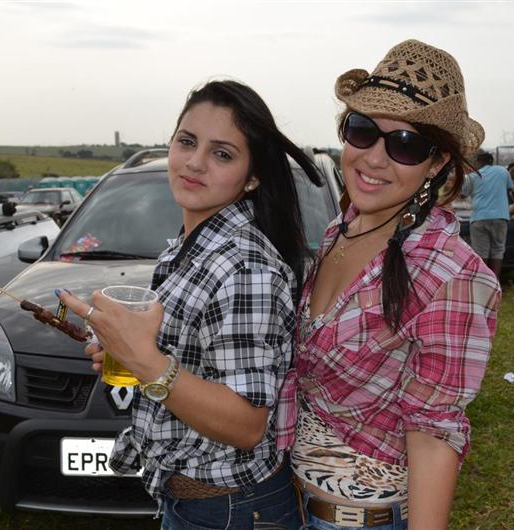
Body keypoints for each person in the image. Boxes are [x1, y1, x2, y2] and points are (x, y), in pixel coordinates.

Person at [58, 80, 322, 529]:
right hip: (195, 502)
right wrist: (129, 353)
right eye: (187, 142)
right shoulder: (190, 249)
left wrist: (147, 363)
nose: (195, 162)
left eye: (222, 154)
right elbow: (195, 365)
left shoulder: (246, 268)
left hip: (233, 511)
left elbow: (245, 424)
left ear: (252, 176)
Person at [276, 39, 501, 529]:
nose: (374, 158)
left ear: (437, 162)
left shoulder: (452, 275)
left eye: (404, 144)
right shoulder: (341, 229)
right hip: (288, 507)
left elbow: (434, 436)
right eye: (362, 131)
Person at [461, 149, 513, 277]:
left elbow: (463, 194)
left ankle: (483, 282)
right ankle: (496, 281)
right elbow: (509, 189)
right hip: (501, 216)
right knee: (498, 250)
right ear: (491, 161)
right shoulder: (503, 171)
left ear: (478, 162)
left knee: (480, 251)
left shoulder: (473, 175)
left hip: (479, 217)